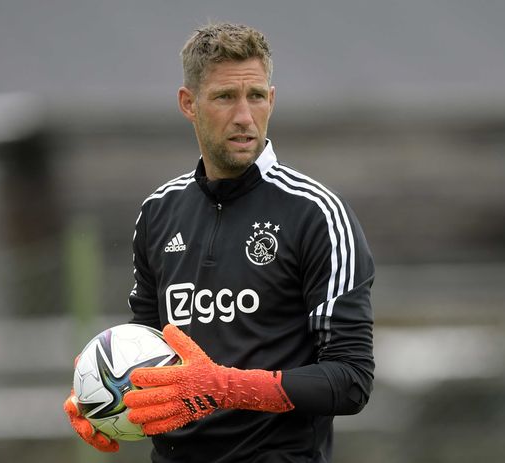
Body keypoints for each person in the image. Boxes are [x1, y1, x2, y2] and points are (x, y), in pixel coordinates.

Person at [64, 22, 375, 462]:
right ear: (188, 103)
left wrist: (224, 387)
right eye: (226, 97)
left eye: (256, 96)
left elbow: (351, 379)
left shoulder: (317, 214)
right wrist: (96, 398)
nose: (244, 116)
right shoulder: (159, 212)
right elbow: (144, 351)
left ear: (272, 99)